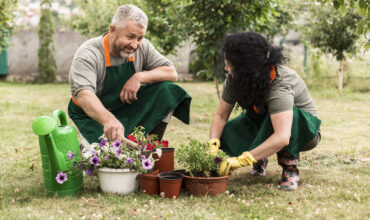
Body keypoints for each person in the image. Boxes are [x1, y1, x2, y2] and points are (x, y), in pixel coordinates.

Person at [208, 32, 321, 191]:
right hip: (264, 123)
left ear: (246, 67)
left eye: (229, 63)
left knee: (285, 120)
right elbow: (220, 116)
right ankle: (259, 158)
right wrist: (213, 144)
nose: (225, 67)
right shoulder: (235, 78)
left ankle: (290, 169)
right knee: (226, 134)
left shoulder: (280, 84)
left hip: (303, 131)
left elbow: (282, 137)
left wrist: (243, 160)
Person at [68, 4, 191, 147]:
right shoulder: (88, 54)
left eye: (140, 38)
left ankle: (151, 147)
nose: (135, 44)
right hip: (91, 116)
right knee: (104, 160)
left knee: (167, 90)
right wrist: (108, 120)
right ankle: (89, 145)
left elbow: (171, 72)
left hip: (123, 108)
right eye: (130, 37)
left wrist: (139, 77)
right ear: (112, 30)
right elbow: (84, 95)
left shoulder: (142, 46)